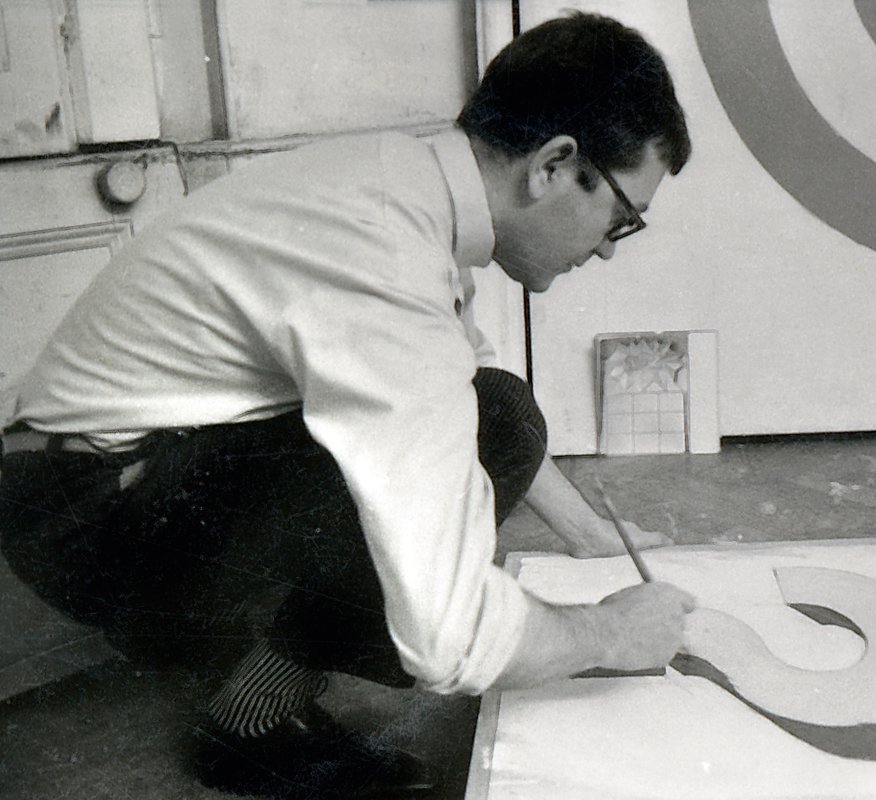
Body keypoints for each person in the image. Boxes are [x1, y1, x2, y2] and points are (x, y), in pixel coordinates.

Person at [0, 12, 694, 799]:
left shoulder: (401, 183)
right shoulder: (383, 253)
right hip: (83, 528)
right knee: (462, 457)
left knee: (494, 410)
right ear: (555, 164)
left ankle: (253, 681)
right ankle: (247, 722)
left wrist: (590, 536)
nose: (606, 247)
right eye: (622, 218)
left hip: (102, 473)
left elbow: (469, 385)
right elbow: (448, 637)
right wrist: (607, 633)